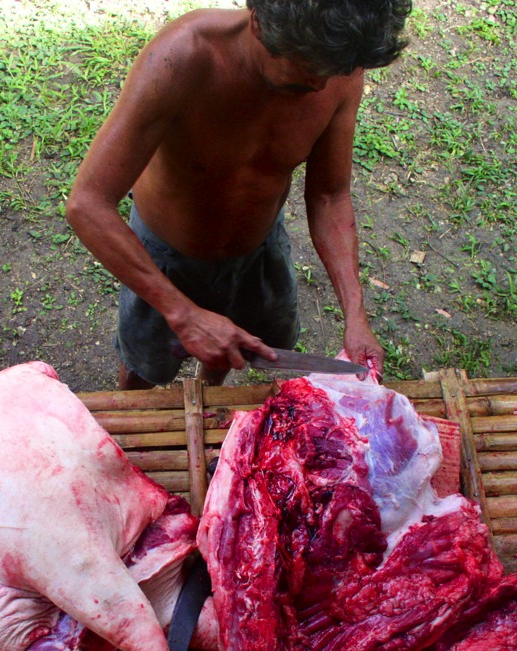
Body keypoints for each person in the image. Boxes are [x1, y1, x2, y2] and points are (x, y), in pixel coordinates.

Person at [65, 0, 411, 390]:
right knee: (145, 367)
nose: (319, 86)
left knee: (237, 351)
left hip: (259, 253)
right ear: (260, 25)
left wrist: (355, 314)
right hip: (165, 257)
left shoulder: (338, 67)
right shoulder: (182, 58)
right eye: (306, 72)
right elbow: (87, 204)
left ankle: (209, 388)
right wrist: (182, 313)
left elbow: (330, 196)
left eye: (333, 72)